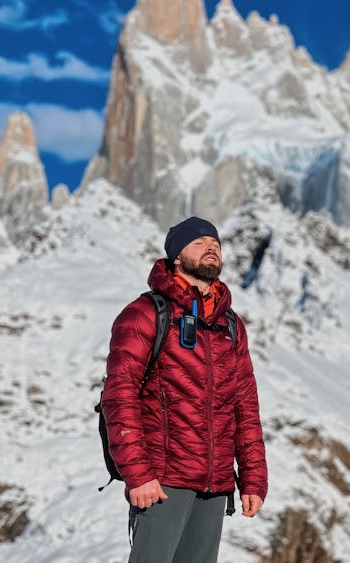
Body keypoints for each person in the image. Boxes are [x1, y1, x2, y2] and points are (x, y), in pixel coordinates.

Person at [101, 217, 268, 563]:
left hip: (215, 484)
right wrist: (138, 474)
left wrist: (253, 477)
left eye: (216, 244)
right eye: (199, 243)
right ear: (176, 257)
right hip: (161, 482)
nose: (211, 247)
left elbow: (245, 407)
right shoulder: (145, 313)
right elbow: (119, 397)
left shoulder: (231, 325)